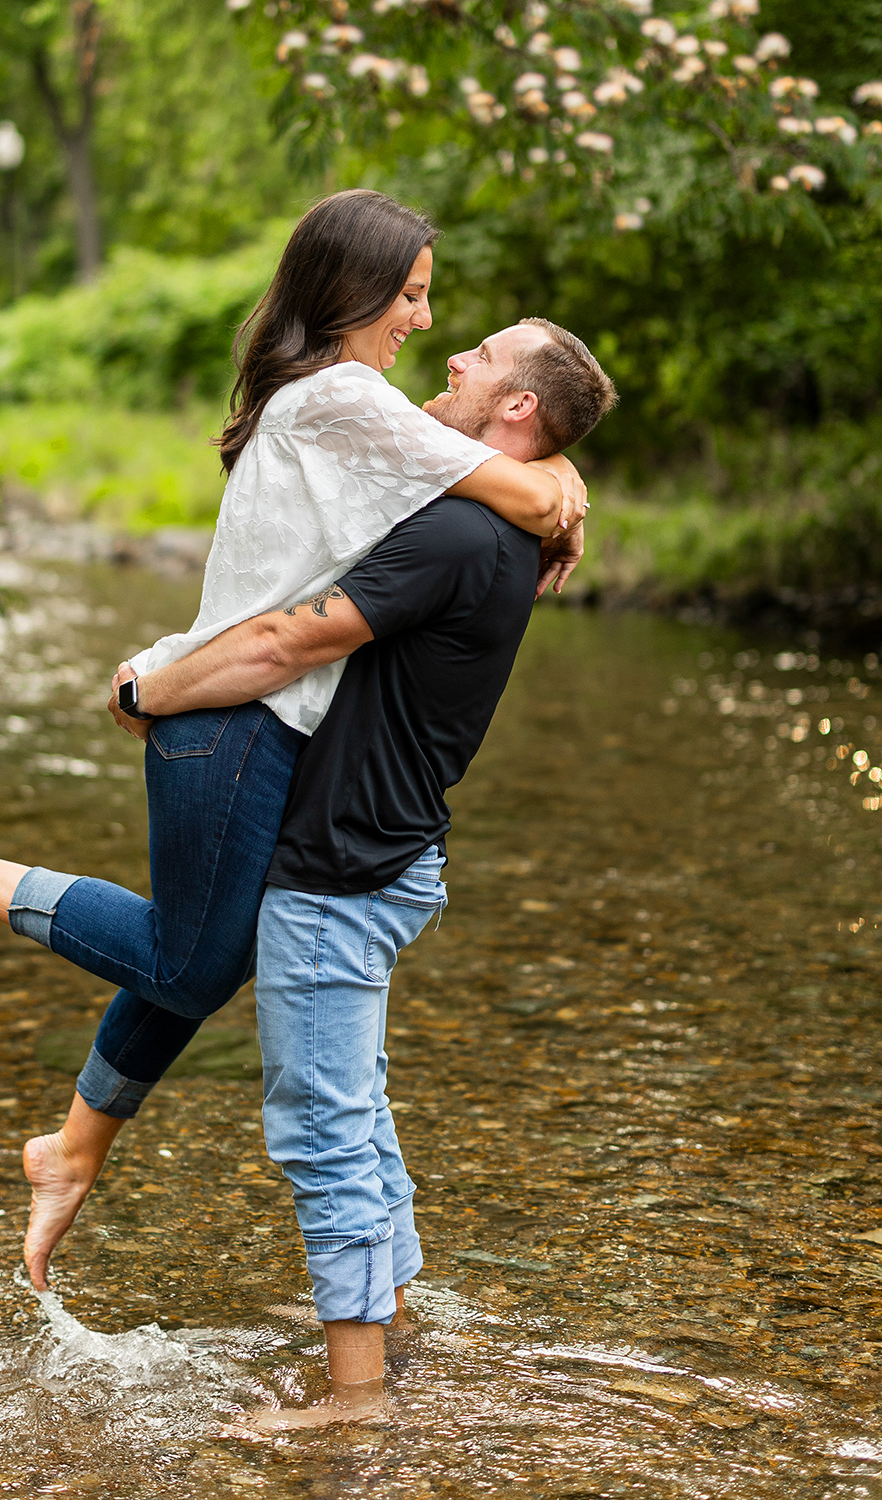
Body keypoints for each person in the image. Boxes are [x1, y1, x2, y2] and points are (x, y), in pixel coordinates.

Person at [0, 189, 592, 1287]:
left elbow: (502, 478)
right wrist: (561, 481)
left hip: (257, 721)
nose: (427, 323)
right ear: (354, 289)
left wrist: (557, 468)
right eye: (413, 294)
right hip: (229, 719)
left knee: (208, 960)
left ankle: (68, 1152)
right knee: (191, 958)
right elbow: (520, 491)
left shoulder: (353, 403)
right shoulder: (340, 396)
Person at [99, 334, 617, 1427]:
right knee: (358, 1104)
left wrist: (152, 691)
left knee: (320, 1125)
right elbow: (451, 457)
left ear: (516, 404)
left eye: (480, 355)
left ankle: (357, 1399)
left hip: (342, 865)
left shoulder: (461, 528)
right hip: (392, 850)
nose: (453, 351)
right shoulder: (501, 513)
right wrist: (563, 482)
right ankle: (386, 1306)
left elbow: (287, 642)